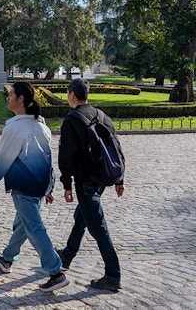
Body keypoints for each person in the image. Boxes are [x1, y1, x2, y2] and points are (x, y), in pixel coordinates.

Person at [0, 81, 69, 292]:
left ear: (21, 99)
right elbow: (48, 160)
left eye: (11, 94)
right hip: (39, 184)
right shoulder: (42, 126)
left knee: (34, 227)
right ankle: (7, 258)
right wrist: (50, 187)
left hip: (24, 185)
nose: (8, 97)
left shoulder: (15, 127)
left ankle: (55, 272)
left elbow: (4, 159)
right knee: (24, 223)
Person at [57, 78, 124, 291]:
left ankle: (113, 274)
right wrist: (119, 179)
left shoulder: (72, 119)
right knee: (83, 216)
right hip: (102, 179)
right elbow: (116, 147)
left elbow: (66, 156)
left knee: (98, 227)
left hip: (85, 180)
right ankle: (67, 256)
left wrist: (66, 184)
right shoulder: (102, 115)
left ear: (72, 94)